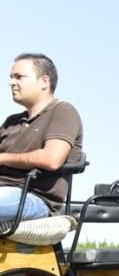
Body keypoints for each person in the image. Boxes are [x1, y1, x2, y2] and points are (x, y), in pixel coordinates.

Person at [0, 53, 83, 222]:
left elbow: (52, 159)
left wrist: (2, 158)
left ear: (44, 81)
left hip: (33, 198)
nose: (11, 82)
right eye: (11, 77)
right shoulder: (12, 122)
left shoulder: (63, 112)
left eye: (19, 77)